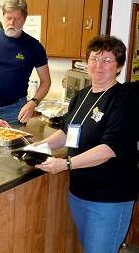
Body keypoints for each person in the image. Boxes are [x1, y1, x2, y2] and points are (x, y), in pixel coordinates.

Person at [35, 35, 139, 252]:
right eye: (94, 59)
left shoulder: (124, 99)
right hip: (79, 194)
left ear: (119, 67)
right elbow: (66, 133)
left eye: (107, 60)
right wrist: (39, 146)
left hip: (109, 199)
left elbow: (109, 149)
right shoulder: (82, 95)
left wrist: (66, 164)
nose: (98, 66)